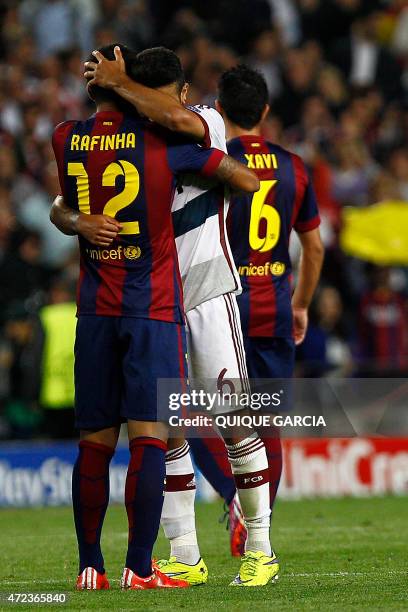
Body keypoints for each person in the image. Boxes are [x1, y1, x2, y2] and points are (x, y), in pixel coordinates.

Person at [53, 46, 279, 588]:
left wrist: (118, 84)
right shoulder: (133, 135)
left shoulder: (200, 120)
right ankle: (183, 553)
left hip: (203, 294)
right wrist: (77, 218)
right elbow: (61, 202)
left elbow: (177, 119)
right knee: (167, 431)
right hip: (149, 302)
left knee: (234, 424)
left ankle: (261, 548)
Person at [186, 64, 324, 573]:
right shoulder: (295, 166)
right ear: (265, 112)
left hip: (220, 305)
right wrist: (302, 304)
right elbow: (313, 246)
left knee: (196, 414)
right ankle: (257, 514)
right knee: (268, 427)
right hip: (273, 309)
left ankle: (230, 494)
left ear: (219, 110)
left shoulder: (212, 160)